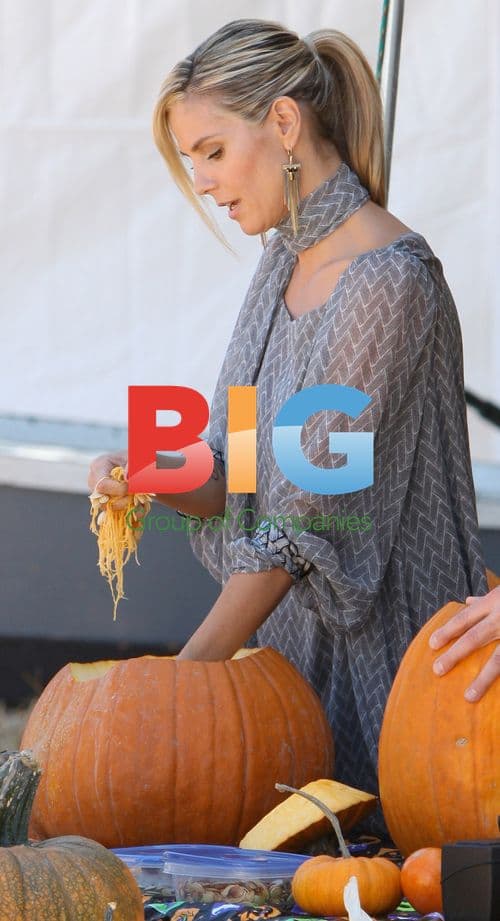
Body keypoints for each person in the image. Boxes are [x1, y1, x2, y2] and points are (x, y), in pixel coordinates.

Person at [89, 19, 497, 833]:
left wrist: (181, 687)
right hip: (282, 671)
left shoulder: (388, 283)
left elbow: (300, 527)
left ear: (283, 124)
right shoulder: (282, 260)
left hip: (389, 680)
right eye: (191, 160)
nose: (202, 180)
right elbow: (234, 462)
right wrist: (150, 472)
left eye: (210, 151)